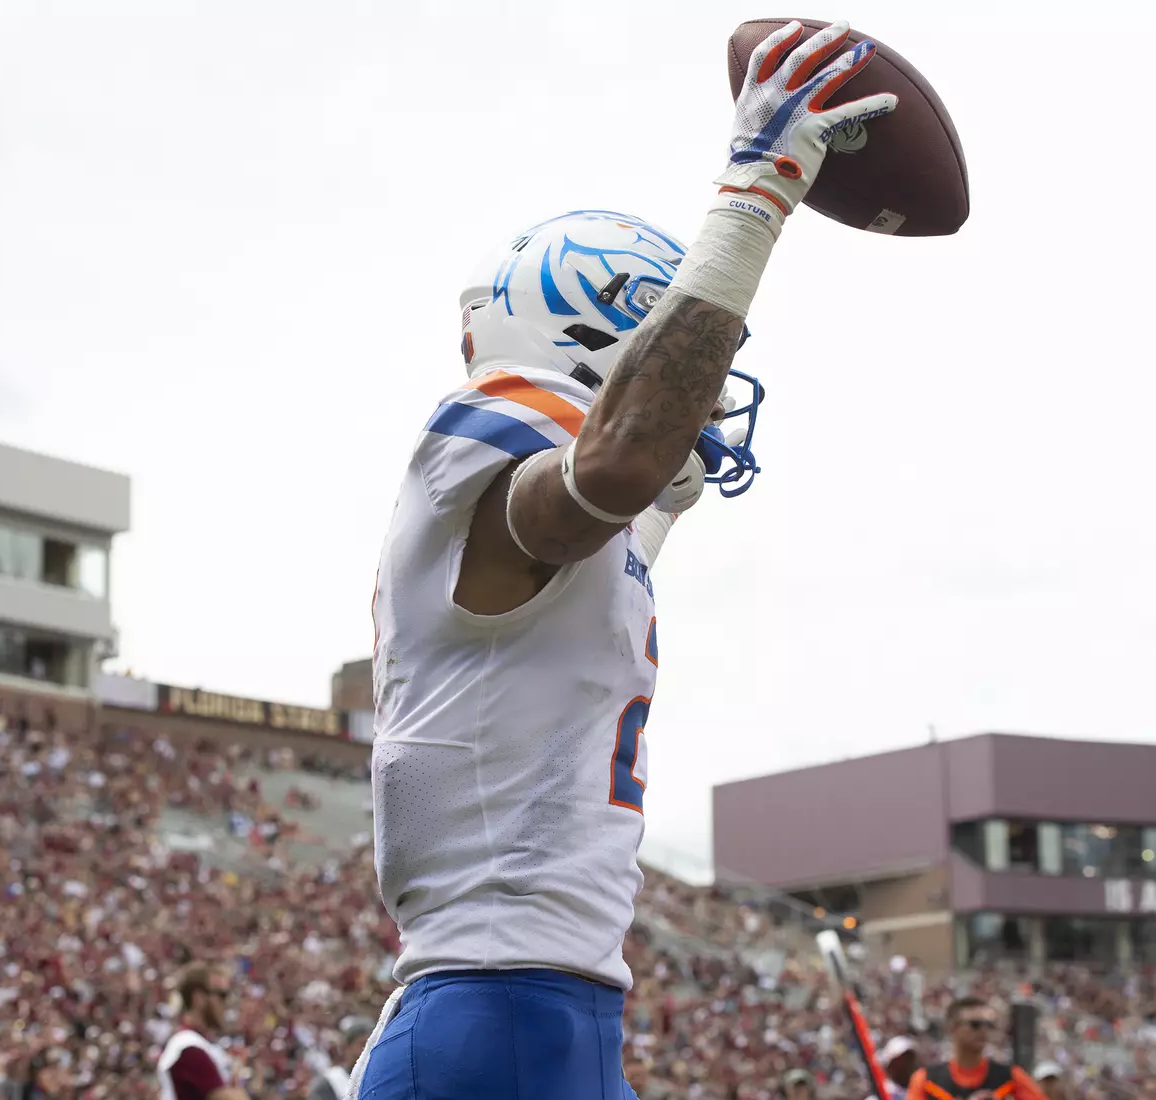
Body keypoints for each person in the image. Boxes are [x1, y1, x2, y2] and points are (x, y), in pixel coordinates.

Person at [355, 16, 899, 1100]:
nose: (709, 379)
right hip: (497, 1007)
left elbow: (615, 517)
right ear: (604, 328)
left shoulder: (547, 528)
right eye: (685, 345)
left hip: (557, 1011)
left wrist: (667, 498)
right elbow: (606, 474)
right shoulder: (487, 433)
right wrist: (752, 201)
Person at [907, 998, 1051, 1100]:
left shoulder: (1011, 1078)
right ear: (952, 1027)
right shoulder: (926, 1081)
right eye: (975, 1025)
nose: (983, 1031)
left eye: (988, 1024)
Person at [157, 965, 247, 1100]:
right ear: (199, 998)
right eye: (222, 995)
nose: (226, 1003)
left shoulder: (200, 1045)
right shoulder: (189, 1048)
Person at [879, 1036, 921, 1100]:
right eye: (900, 1060)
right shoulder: (882, 1093)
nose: (906, 1063)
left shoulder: (923, 1088)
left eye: (909, 1058)